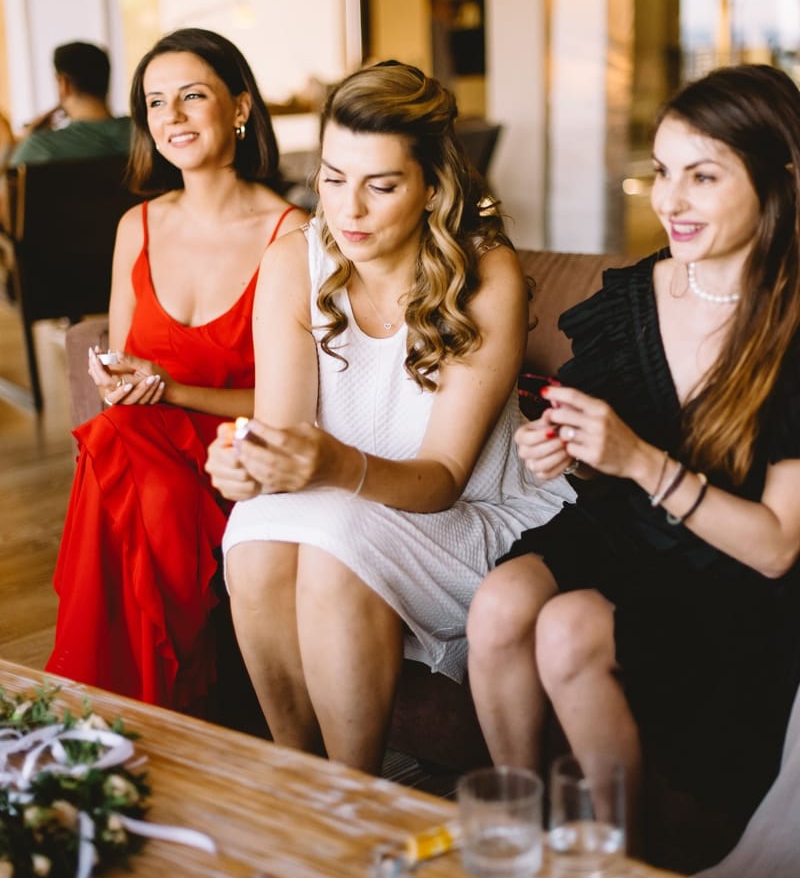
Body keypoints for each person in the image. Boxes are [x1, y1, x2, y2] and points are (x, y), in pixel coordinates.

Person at [465, 63, 800, 864]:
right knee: (501, 601)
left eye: (704, 176)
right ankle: (527, 825)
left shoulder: (789, 327)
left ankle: (623, 865)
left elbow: (777, 545)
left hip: (732, 569)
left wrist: (639, 460)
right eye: (663, 172)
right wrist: (566, 452)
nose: (671, 201)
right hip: (627, 535)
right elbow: (600, 462)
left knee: (570, 627)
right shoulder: (631, 298)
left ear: (779, 181)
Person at [204, 60, 572, 774]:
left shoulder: (484, 272)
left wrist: (328, 465)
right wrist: (248, 462)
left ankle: (355, 791)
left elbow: (444, 478)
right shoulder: (292, 261)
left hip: (473, 513)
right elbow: (280, 437)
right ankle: (300, 775)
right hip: (346, 497)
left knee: (337, 540)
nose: (349, 211)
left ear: (433, 186)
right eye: (334, 178)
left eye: (382, 185)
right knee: (250, 531)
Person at [46, 27, 307, 712]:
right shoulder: (137, 224)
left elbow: (296, 403)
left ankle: (114, 708)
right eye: (157, 103)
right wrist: (122, 379)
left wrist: (170, 388)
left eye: (194, 96)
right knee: (119, 438)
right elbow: (124, 367)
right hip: (148, 446)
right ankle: (144, 707)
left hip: (239, 456)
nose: (174, 117)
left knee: (119, 451)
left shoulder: (293, 234)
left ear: (241, 107)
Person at [9, 41, 132, 166]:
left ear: (64, 84)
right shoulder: (143, 132)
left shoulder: (40, 148)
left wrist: (25, 142)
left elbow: (10, 181)